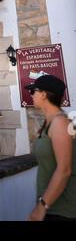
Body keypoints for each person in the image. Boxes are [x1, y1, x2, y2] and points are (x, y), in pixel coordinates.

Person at [26, 74, 76, 221]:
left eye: (33, 91)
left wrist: (42, 207)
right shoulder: (51, 122)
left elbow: (64, 170)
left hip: (63, 209)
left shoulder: (60, 123)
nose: (31, 95)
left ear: (43, 94)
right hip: (52, 207)